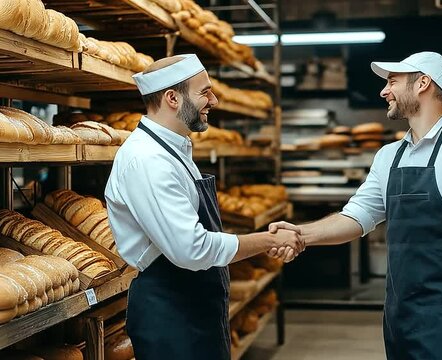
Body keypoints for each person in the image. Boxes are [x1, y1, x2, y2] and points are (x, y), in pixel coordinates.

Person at [269, 51, 442, 360]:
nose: (383, 91)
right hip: (398, 316)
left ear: (423, 83)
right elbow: (356, 216)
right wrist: (300, 234)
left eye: (392, 81)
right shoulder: (389, 156)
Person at [105, 54, 304, 360]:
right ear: (172, 98)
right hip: (172, 315)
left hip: (193, 307)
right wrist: (269, 240)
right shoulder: (147, 160)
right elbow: (192, 249)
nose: (214, 100)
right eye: (205, 92)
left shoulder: (172, 149)